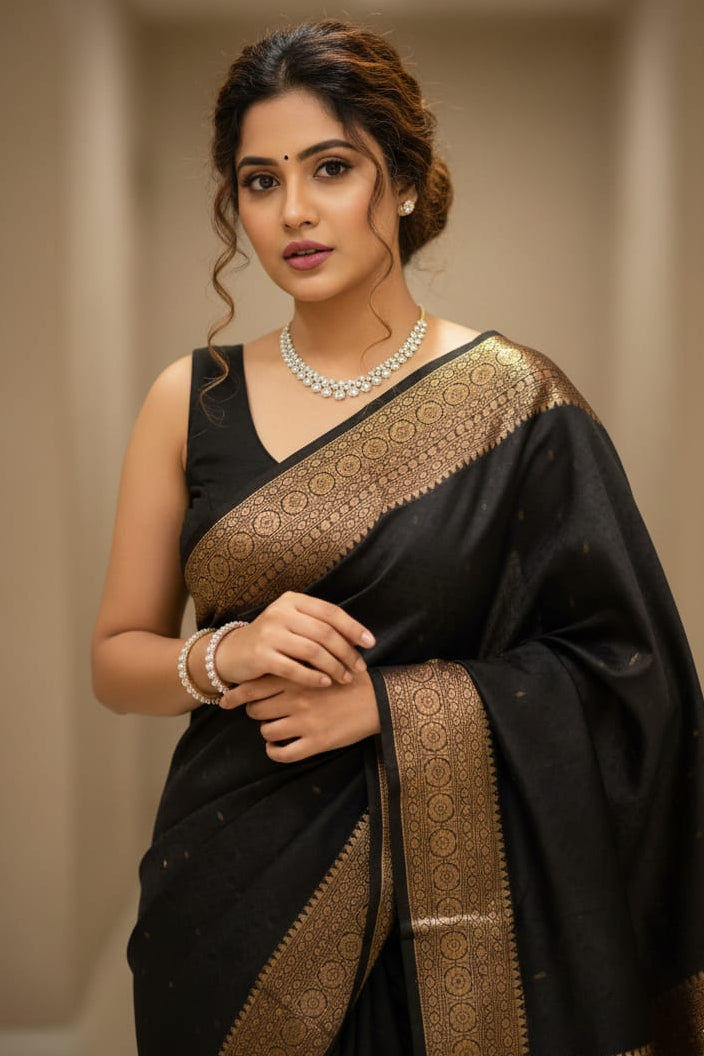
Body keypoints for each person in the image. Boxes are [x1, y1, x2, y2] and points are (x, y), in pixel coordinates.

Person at [91, 18, 704, 1056]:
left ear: (406, 181)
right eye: (257, 180)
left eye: (331, 168)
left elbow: (630, 681)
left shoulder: (516, 403)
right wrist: (223, 653)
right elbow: (117, 662)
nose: (292, 211)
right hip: (229, 891)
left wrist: (389, 706)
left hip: (464, 933)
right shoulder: (187, 402)